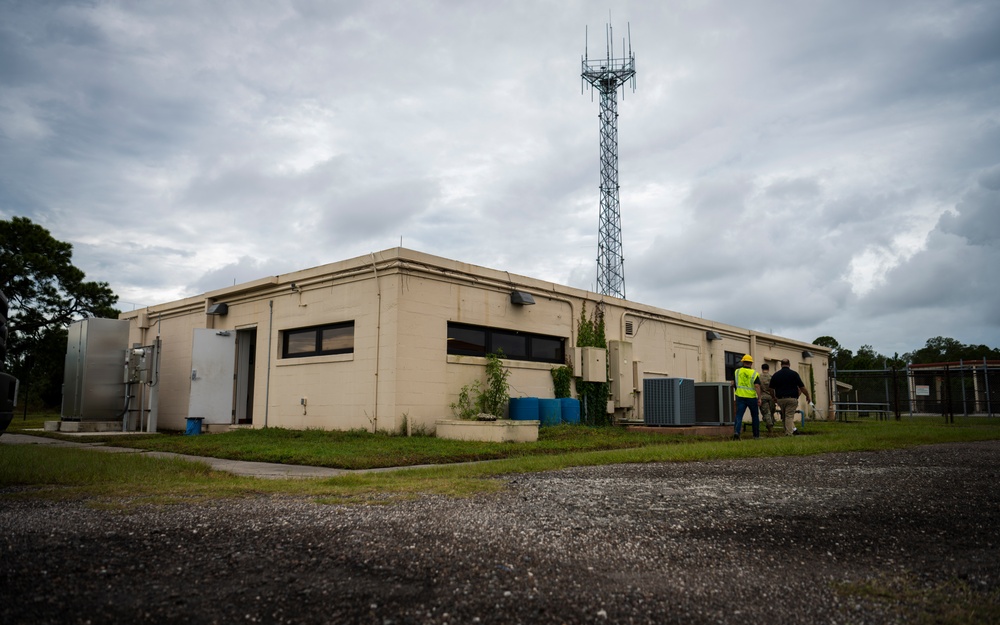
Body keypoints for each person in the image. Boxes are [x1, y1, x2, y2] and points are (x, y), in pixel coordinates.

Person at [769, 358, 812, 436]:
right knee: (789, 416)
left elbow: (771, 389)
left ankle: (787, 431)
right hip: (792, 399)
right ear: (789, 364)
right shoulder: (794, 374)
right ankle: (789, 433)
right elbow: (802, 387)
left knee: (785, 416)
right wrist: (807, 396)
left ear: (781, 365)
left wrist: (773, 397)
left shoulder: (776, 375)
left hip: (780, 399)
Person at [732, 354, 763, 440]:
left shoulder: (737, 371)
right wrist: (759, 398)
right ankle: (756, 435)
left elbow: (733, 383)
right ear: (751, 363)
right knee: (755, 416)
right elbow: (757, 386)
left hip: (740, 396)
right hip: (751, 398)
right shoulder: (754, 373)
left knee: (739, 415)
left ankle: (736, 432)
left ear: (743, 362)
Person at [759, 363, 776, 433]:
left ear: (762, 369)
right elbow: (774, 388)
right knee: (771, 412)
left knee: (766, 413)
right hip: (771, 397)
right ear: (768, 369)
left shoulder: (759, 377)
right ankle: (771, 424)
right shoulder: (771, 377)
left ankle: (770, 427)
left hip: (762, 396)